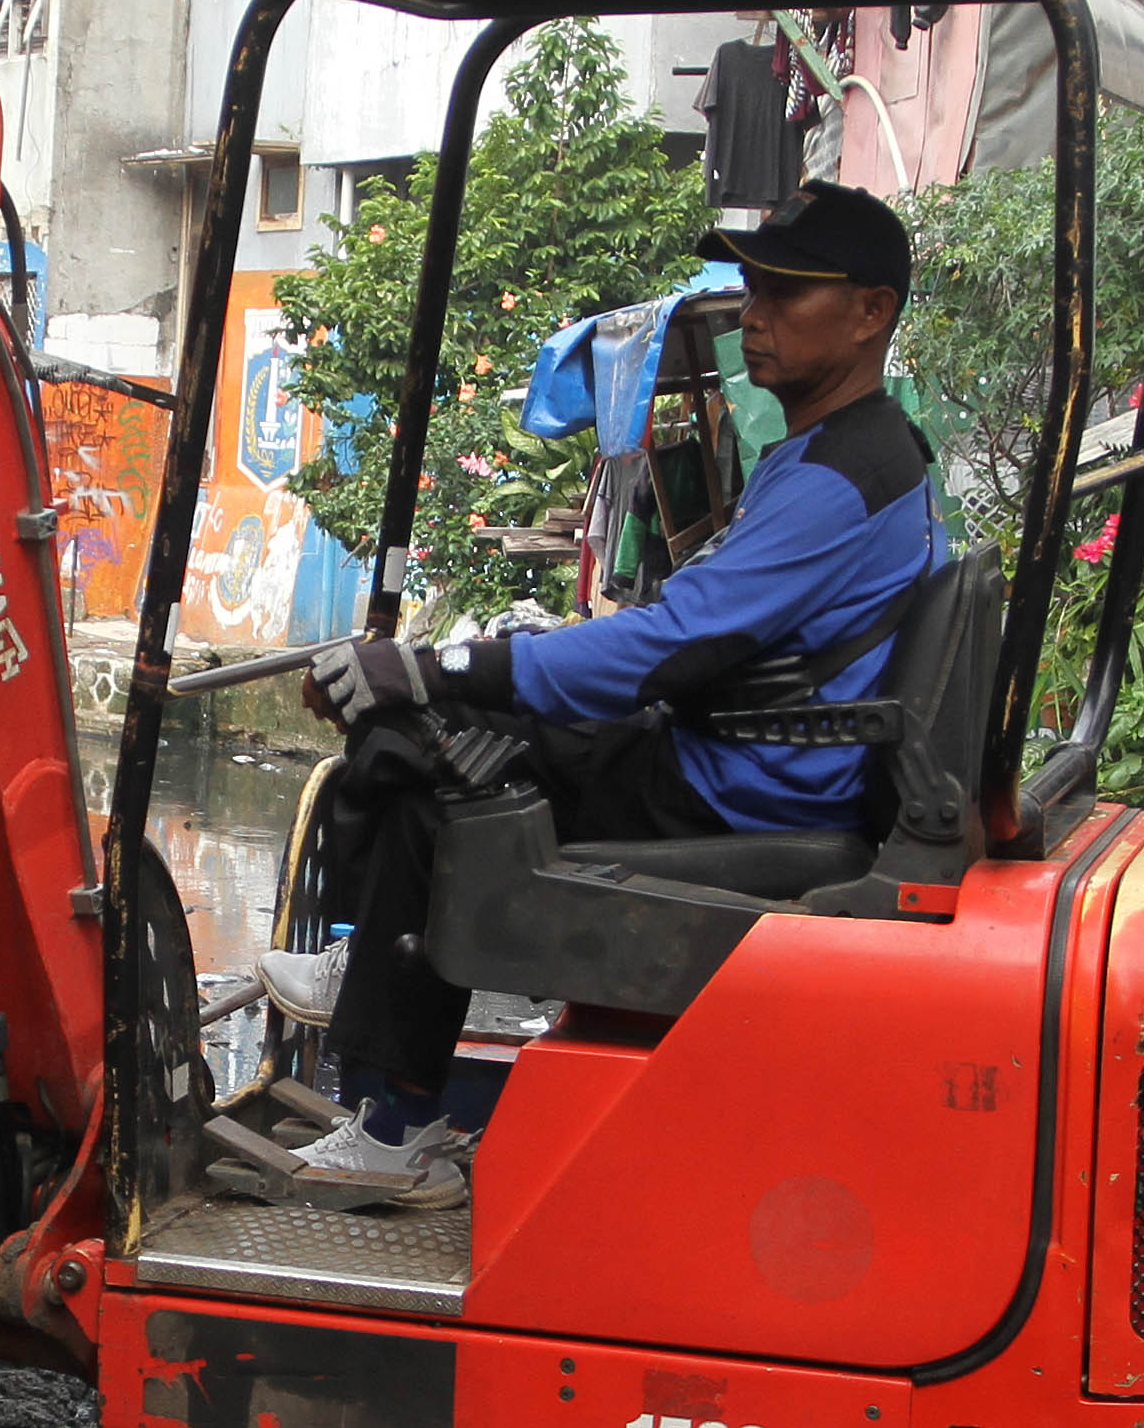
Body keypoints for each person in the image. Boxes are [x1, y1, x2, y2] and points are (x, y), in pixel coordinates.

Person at [258, 181, 946, 1190]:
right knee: (457, 716)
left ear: (872, 312)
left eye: (786, 295)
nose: (754, 316)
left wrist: (432, 665)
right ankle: (371, 995)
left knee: (440, 754)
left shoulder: (840, 477)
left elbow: (669, 650)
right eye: (753, 289)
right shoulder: (838, 455)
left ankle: (396, 1127)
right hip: (754, 756)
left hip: (743, 786)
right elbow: (697, 627)